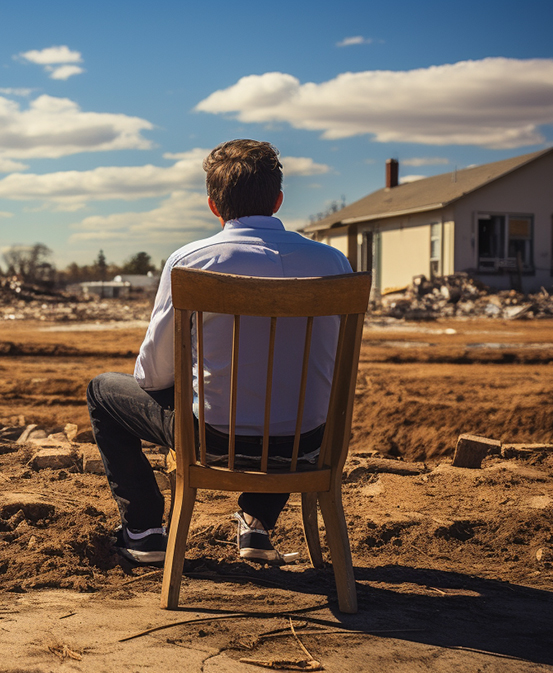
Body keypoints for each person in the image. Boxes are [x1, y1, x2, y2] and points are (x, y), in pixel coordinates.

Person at [86, 139, 353, 565]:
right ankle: (257, 522)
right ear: (279, 200)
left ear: (213, 205)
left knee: (103, 391)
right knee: (286, 394)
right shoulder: (333, 263)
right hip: (308, 443)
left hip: (214, 441)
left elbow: (152, 377)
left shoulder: (192, 261)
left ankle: (144, 530)